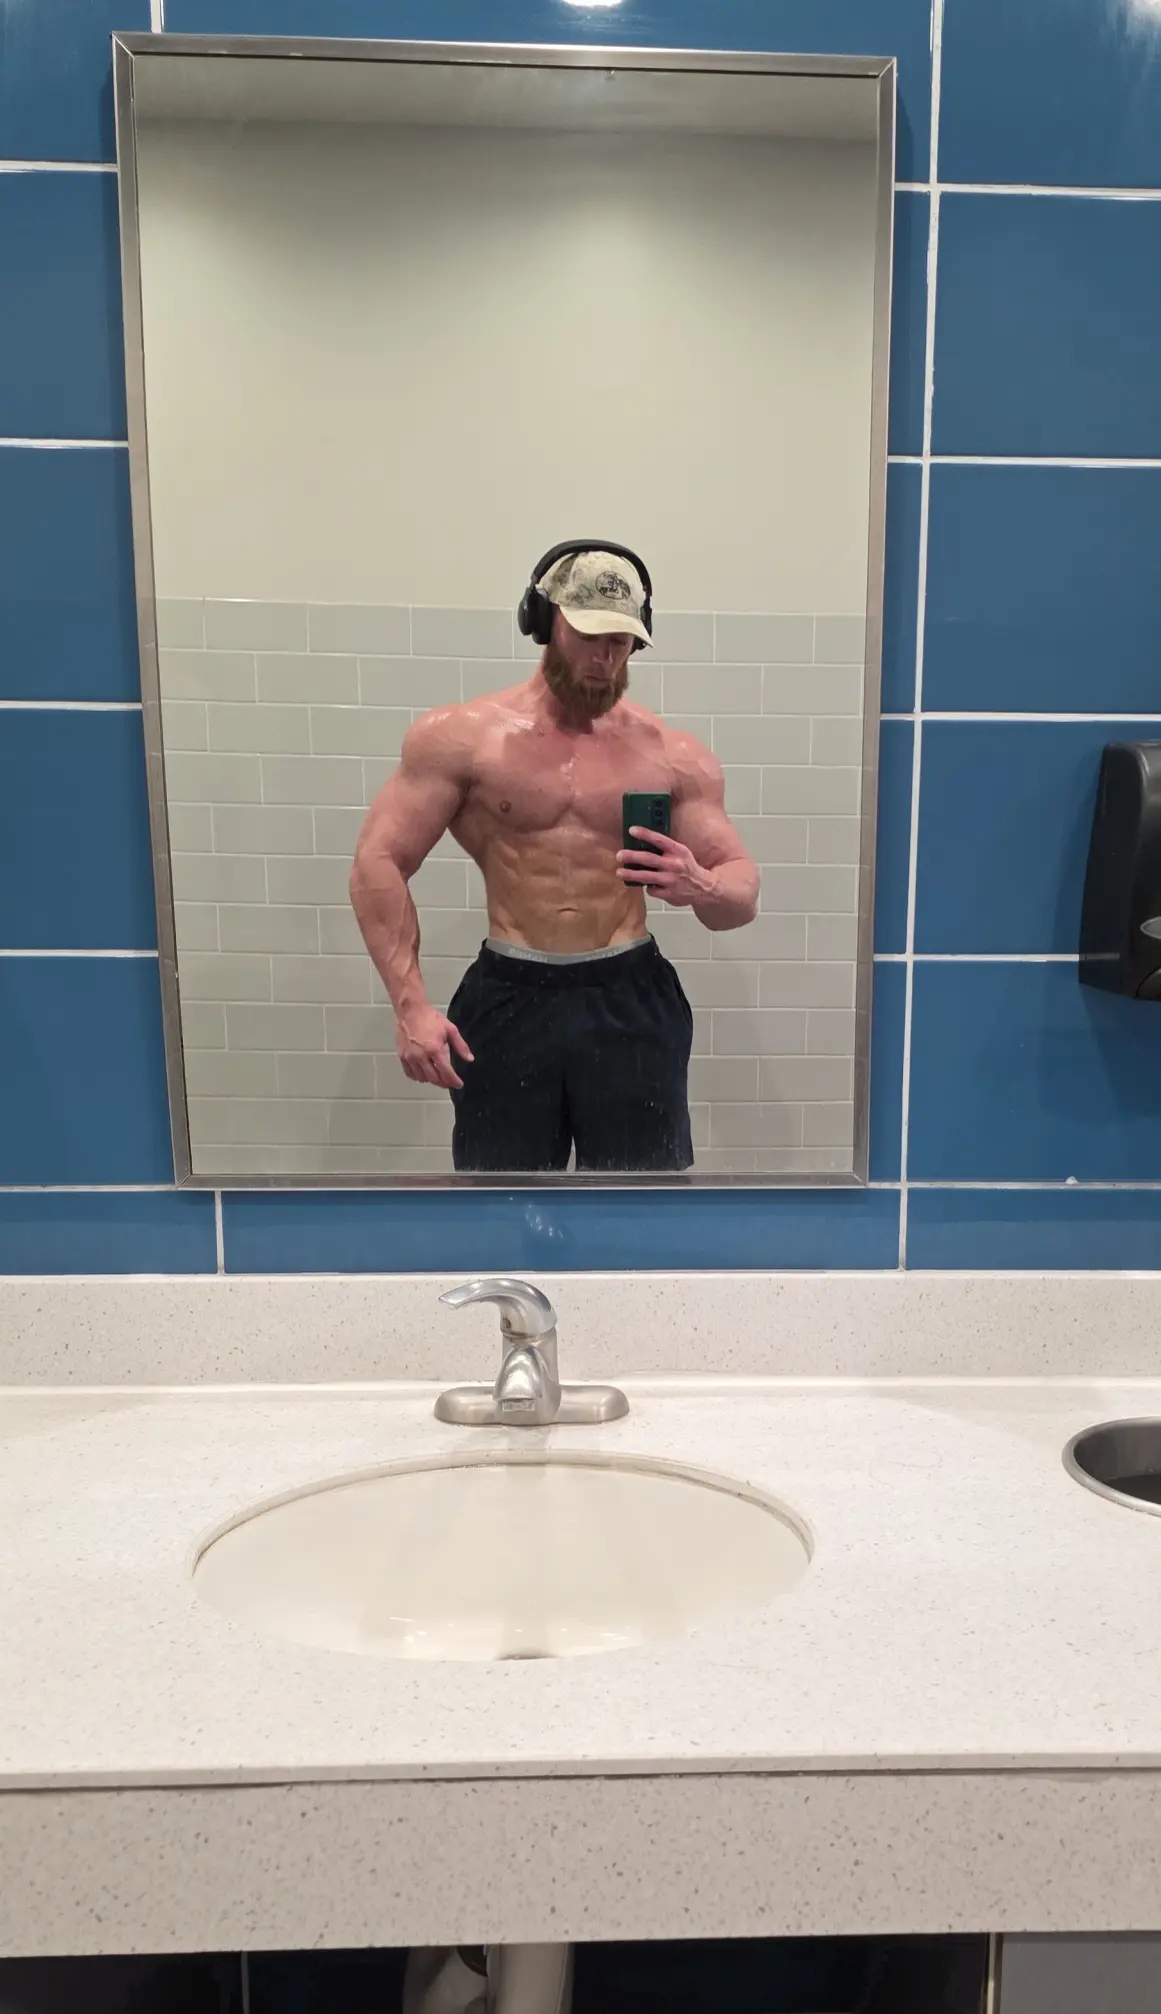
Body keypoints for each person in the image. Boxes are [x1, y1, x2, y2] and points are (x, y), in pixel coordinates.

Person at [350, 540, 759, 1172]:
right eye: (588, 636)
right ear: (544, 622)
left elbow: (741, 895)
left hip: (631, 995)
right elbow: (378, 861)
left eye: (619, 642)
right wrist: (410, 1006)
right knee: (503, 1204)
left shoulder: (671, 755)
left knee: (640, 1208)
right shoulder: (462, 739)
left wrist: (701, 885)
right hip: (509, 995)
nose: (604, 658)